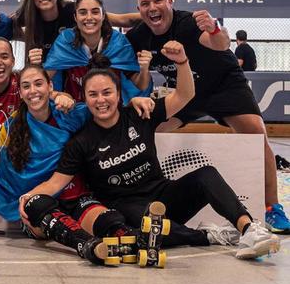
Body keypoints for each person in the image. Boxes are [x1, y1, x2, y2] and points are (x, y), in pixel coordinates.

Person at [21, 41, 281, 260]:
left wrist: (182, 63)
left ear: (118, 94)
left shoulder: (139, 113)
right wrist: (27, 198)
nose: (101, 100)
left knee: (206, 174)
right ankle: (208, 235)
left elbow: (184, 96)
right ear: (85, 99)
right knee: (145, 225)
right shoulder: (81, 142)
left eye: (107, 92)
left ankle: (248, 230)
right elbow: (56, 182)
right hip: (128, 208)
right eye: (93, 95)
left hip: (163, 196)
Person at [125, 0, 290, 233]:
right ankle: (146, 196)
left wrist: (214, 28)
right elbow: (120, 23)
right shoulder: (138, 36)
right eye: (145, 4)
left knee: (256, 132)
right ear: (139, 9)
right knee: (149, 130)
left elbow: (222, 43)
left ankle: (272, 208)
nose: (153, 7)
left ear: (171, 2)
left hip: (225, 84)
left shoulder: (189, 22)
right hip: (186, 90)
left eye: (158, 0)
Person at [0, 65, 154, 265]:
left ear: (49, 86)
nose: (33, 91)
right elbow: (8, 177)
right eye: (26, 86)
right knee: (35, 205)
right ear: (20, 93)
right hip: (41, 203)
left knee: (110, 221)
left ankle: (142, 244)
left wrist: (131, 101)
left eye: (38, 84)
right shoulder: (12, 127)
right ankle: (87, 246)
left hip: (75, 195)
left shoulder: (70, 114)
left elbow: (104, 108)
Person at [13, 0, 140, 66]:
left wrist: (152, 16)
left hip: (74, 77)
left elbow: (123, 20)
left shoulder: (75, 11)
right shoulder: (24, 18)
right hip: (47, 77)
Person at [43, 0, 151, 103]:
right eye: (83, 13)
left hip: (111, 111)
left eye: (95, 12)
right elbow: (44, 80)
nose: (89, 17)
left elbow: (141, 86)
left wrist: (143, 69)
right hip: (75, 112)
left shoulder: (118, 42)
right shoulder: (66, 40)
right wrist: (57, 95)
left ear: (103, 16)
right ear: (75, 17)